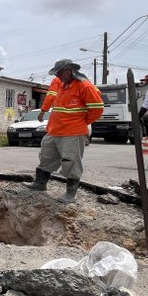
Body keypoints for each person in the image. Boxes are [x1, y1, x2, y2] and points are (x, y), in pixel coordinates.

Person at [23, 59, 103, 203]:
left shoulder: (84, 85)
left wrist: (82, 122)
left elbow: (97, 108)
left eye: (59, 73)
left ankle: (70, 194)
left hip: (72, 132)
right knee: (46, 156)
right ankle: (40, 184)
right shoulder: (62, 85)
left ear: (69, 70)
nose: (57, 76)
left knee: (71, 161)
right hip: (54, 129)